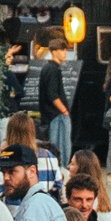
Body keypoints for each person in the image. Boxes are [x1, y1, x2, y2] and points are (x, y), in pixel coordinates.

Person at [35, 37, 74, 172]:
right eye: (62, 50)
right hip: (56, 115)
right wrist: (64, 110)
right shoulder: (53, 70)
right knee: (61, 147)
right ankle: (60, 171)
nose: (65, 53)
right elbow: (53, 94)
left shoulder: (46, 68)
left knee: (54, 146)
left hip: (49, 115)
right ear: (54, 51)